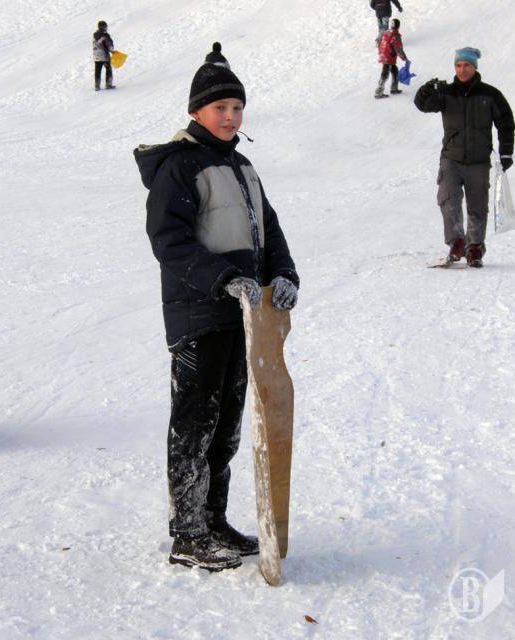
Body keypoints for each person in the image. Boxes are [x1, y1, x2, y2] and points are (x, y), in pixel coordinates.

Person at [133, 42, 299, 571]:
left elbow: (269, 230)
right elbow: (170, 241)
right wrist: (223, 278)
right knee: (195, 423)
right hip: (197, 315)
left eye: (236, 107)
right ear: (196, 111)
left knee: (226, 425)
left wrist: (283, 275)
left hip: (243, 317)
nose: (230, 116)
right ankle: (188, 532)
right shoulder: (179, 166)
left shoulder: (242, 166)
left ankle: (214, 519)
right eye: (219, 107)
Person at [414, 47, 515, 267]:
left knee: (477, 205)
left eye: (466, 65)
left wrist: (506, 151)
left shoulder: (490, 95)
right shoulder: (447, 93)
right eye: (458, 65)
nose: (462, 70)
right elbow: (422, 105)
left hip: (478, 161)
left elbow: (506, 123)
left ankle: (475, 247)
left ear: (474, 67)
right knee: (448, 199)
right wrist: (425, 90)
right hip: (451, 158)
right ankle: (457, 242)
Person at [375, 18, 408, 99]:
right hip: (389, 57)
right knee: (385, 74)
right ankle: (378, 92)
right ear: (398, 26)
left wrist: (381, 51)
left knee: (395, 71)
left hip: (384, 55)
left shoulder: (386, 32)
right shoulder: (396, 35)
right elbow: (398, 49)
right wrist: (404, 58)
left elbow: (378, 41)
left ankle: (394, 88)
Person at [93, 20, 115, 91]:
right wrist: (112, 50)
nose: (106, 28)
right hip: (104, 56)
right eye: (105, 26)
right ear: (103, 27)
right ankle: (108, 84)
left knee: (97, 71)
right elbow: (109, 45)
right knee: (108, 69)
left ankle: (97, 86)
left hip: (96, 56)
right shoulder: (105, 35)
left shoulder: (95, 35)